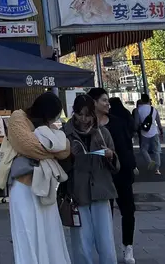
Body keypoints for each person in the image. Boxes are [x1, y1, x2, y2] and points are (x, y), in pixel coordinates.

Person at [5, 93, 72, 264]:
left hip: (45, 185)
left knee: (50, 232)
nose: (53, 120)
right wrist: (51, 151)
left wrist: (52, 149)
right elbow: (28, 146)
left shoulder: (46, 126)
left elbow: (65, 149)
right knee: (27, 232)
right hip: (23, 185)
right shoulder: (18, 117)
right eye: (52, 116)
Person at [65, 94, 119, 264]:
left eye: (88, 115)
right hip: (78, 193)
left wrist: (111, 156)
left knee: (106, 241)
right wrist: (68, 158)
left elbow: (117, 166)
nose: (84, 119)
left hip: (101, 190)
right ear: (73, 113)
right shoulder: (65, 134)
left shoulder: (103, 133)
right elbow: (61, 168)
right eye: (80, 114)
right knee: (81, 242)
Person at [102, 93, 140, 264]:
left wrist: (131, 166)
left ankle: (128, 246)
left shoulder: (117, 121)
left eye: (107, 100)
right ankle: (108, 248)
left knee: (128, 210)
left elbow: (127, 147)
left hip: (122, 171)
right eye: (103, 100)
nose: (106, 103)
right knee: (105, 213)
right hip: (103, 174)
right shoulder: (91, 125)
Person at [133, 93, 163, 175]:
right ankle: (157, 169)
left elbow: (136, 123)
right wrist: (161, 130)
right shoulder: (154, 109)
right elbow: (158, 122)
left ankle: (150, 161)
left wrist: (135, 131)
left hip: (144, 132)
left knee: (143, 149)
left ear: (142, 100)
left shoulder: (138, 110)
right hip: (154, 132)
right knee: (156, 150)